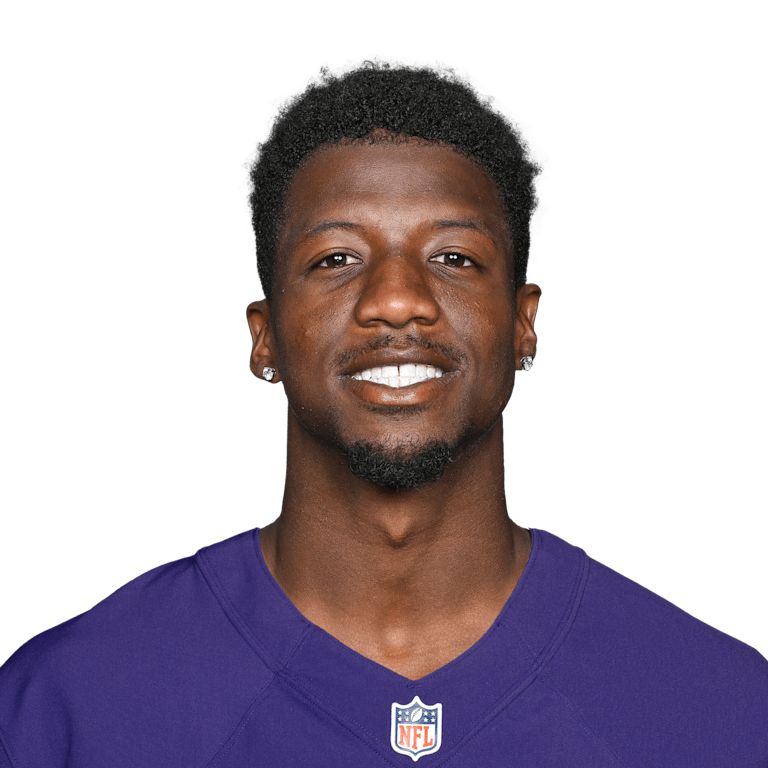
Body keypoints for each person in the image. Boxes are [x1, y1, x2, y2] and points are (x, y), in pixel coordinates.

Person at [1, 54, 766, 767]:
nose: (397, 300)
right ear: (265, 339)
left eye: (454, 258)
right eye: (336, 259)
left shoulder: (726, 709)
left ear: (523, 325)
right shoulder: (68, 703)